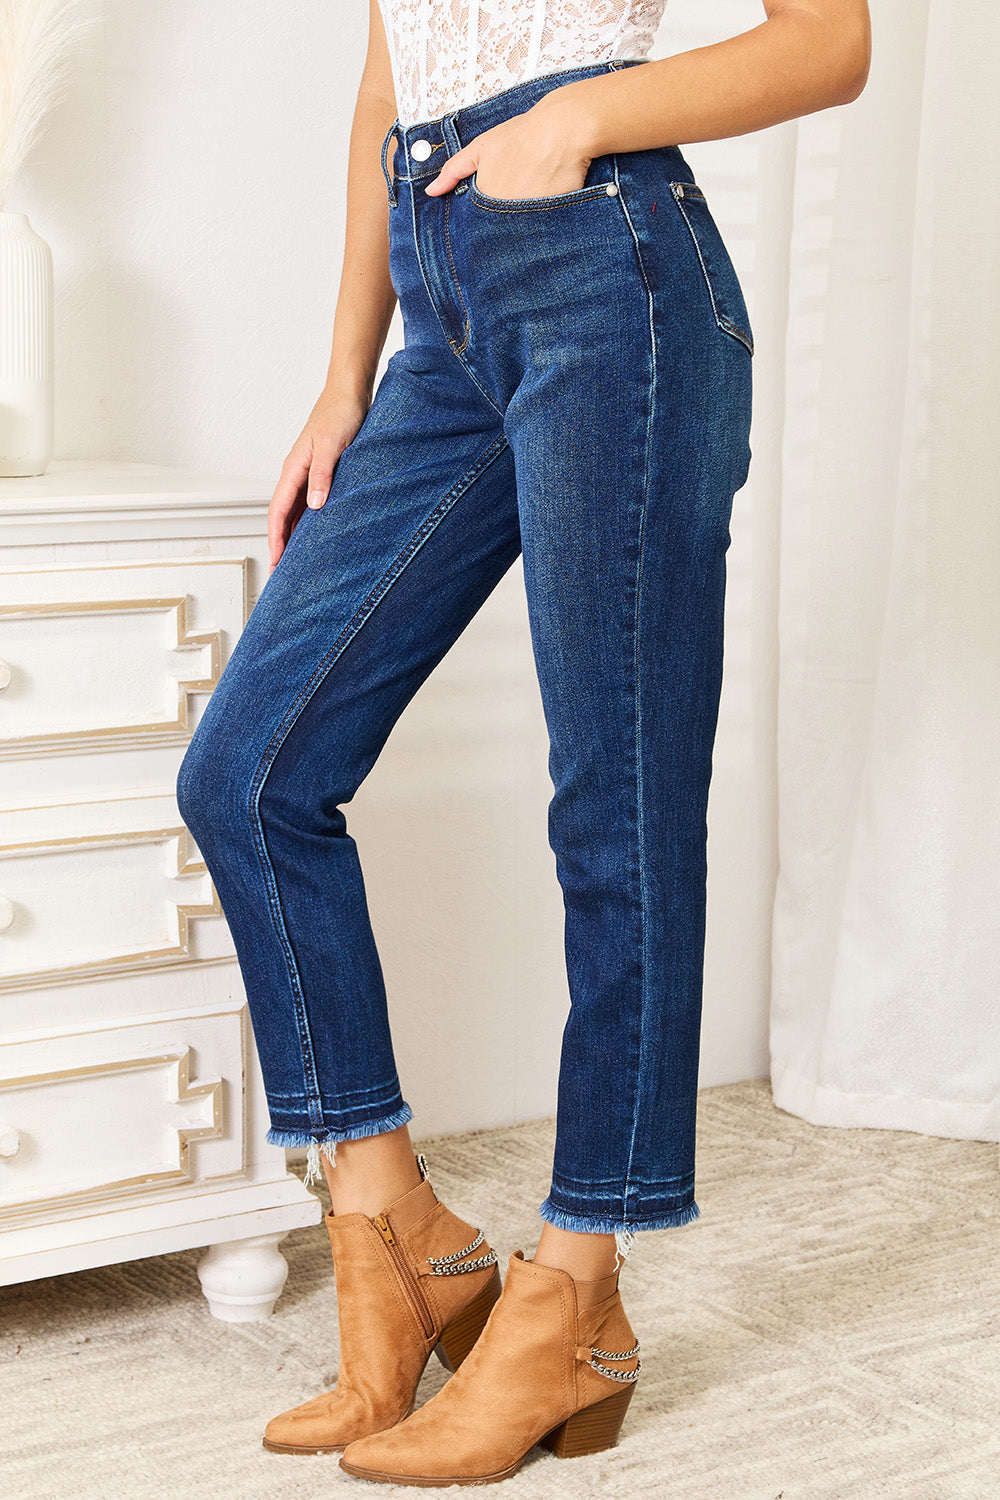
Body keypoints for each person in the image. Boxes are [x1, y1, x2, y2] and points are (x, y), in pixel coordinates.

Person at [175, 0, 870, 1485]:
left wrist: (582, 120)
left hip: (610, 264)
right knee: (249, 770)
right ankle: (394, 1231)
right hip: (444, 301)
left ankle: (575, 1295)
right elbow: (392, 64)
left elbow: (831, 40)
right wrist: (345, 370)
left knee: (614, 807)